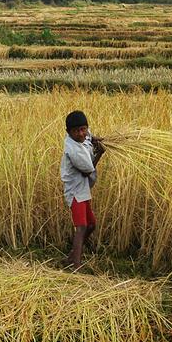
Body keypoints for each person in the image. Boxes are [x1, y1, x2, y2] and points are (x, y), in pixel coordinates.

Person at [60, 110, 106, 271]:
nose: (81, 133)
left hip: (83, 189)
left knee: (91, 225)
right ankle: (76, 266)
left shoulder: (83, 135)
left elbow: (89, 136)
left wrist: (94, 139)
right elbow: (88, 170)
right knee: (81, 227)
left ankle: (72, 256)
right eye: (76, 131)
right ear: (68, 132)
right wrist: (100, 152)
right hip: (75, 192)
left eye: (83, 129)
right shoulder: (73, 150)